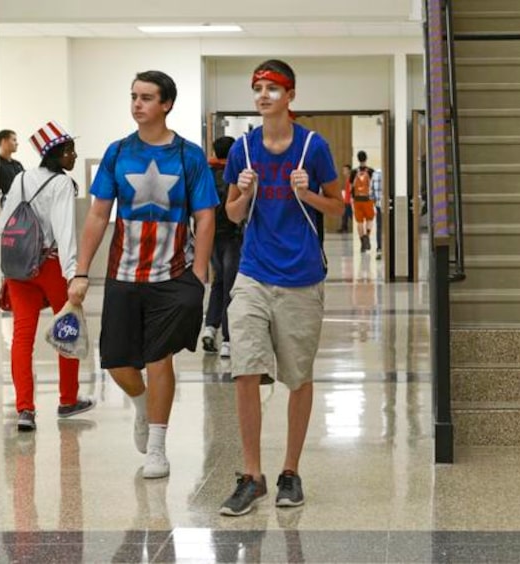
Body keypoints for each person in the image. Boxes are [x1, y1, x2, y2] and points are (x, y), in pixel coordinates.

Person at [68, 70, 218, 479]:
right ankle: (140, 404)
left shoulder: (189, 156)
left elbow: (205, 217)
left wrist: (199, 273)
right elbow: (98, 215)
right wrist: (82, 271)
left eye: (147, 97)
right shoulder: (118, 153)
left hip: (173, 276)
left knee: (159, 359)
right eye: (133, 96)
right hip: (123, 274)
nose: (137, 104)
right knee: (117, 363)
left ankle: (157, 446)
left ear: (166, 104)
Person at [219, 59, 343, 516]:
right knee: (245, 371)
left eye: (273, 88)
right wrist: (244, 193)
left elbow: (337, 204)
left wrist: (307, 194)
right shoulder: (243, 151)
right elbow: (232, 214)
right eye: (258, 88)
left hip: (301, 277)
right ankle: (252, 476)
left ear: (290, 96)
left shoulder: (314, 146)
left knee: (297, 377)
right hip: (252, 274)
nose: (264, 95)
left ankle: (291, 470)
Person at [0, 121, 95, 432]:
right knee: (68, 327)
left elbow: (4, 224)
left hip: (20, 267)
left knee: (21, 338)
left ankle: (25, 409)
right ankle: (67, 399)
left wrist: (9, 268)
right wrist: (74, 275)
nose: (75, 156)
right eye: (70, 150)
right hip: (51, 265)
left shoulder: (22, 178)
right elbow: (65, 232)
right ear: (57, 153)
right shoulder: (62, 184)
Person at [201, 135, 242, 358]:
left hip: (210, 236)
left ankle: (209, 328)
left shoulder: (206, 173)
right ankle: (227, 339)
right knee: (230, 286)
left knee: (218, 282)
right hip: (232, 237)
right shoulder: (235, 174)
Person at [349, 150, 375, 253]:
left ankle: (362, 243)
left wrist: (352, 198)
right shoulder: (371, 171)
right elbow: (373, 185)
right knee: (369, 219)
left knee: (359, 221)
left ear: (358, 159)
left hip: (357, 200)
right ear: (366, 158)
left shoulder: (354, 172)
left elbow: (351, 186)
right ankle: (367, 236)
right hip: (367, 199)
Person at [0, 129, 25, 208]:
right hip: (4, 208)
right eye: (14, 140)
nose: (17, 143)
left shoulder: (18, 165)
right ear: (3, 142)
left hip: (20, 207)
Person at [370, 167, 383, 260]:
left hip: (379, 205)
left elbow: (371, 192)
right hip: (390, 205)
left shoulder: (375, 173)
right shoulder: (393, 172)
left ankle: (379, 248)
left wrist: (375, 201)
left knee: (379, 227)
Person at [338, 164, 352, 233]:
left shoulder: (350, 179)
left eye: (345, 170)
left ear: (349, 171)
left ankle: (344, 228)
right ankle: (344, 228)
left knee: (350, 215)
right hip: (346, 200)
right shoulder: (347, 180)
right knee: (344, 215)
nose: (343, 171)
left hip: (349, 201)